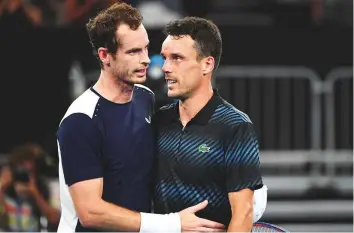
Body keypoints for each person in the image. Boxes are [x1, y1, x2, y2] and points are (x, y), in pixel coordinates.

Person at [56, 2, 225, 232]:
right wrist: (172, 224)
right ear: (105, 55)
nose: (146, 59)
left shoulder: (146, 98)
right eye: (134, 52)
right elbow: (90, 212)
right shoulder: (81, 120)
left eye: (146, 48)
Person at [153, 16, 267, 232]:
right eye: (164, 58)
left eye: (177, 58)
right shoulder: (159, 120)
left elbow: (243, 213)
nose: (166, 68)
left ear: (207, 64)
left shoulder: (235, 126)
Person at [0, 143, 60, 232]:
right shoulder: (5, 188)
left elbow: (54, 218)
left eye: (29, 171)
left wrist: (35, 193)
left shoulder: (46, 187)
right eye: (20, 167)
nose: (23, 174)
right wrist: (2, 187)